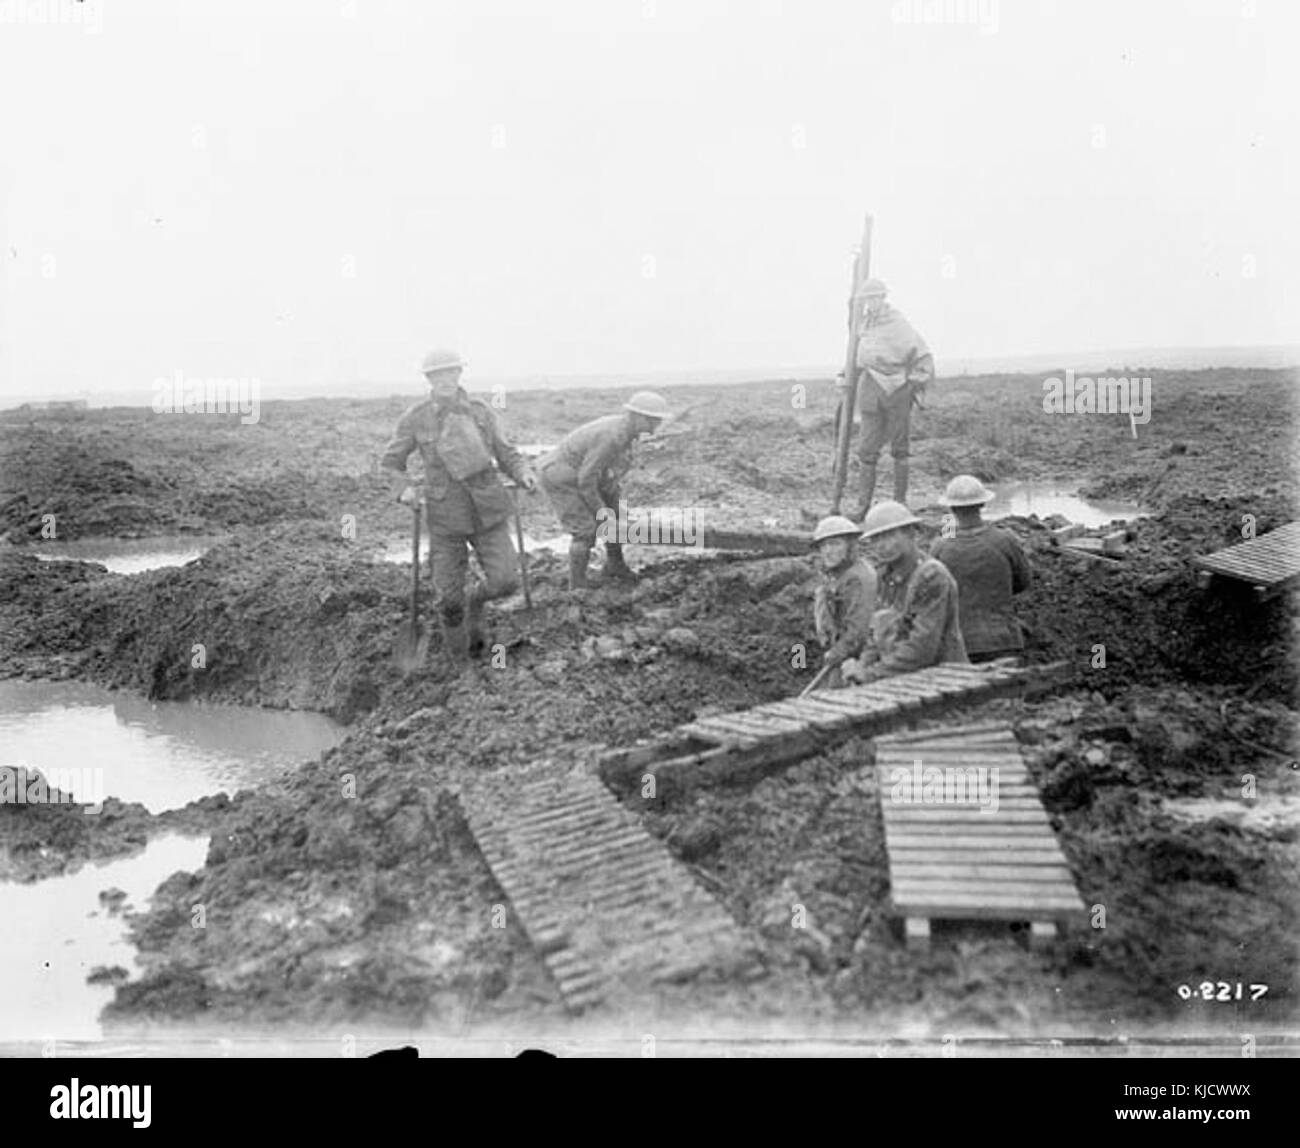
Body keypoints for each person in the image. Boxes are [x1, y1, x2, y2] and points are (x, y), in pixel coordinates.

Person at [379, 348, 536, 660]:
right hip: (445, 518)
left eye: (451, 372)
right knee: (449, 600)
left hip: (488, 511)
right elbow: (390, 463)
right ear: (429, 379)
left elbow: (507, 453)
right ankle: (460, 664)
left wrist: (523, 473)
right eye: (438, 374)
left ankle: (476, 602)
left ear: (459, 375)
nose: (445, 380)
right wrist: (405, 490)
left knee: (505, 581)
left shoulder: (480, 412)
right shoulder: (416, 418)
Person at [537, 391, 670, 590]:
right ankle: (577, 587)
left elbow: (610, 474)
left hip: (583, 474)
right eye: (651, 422)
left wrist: (614, 511)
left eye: (657, 422)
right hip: (561, 476)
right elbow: (586, 480)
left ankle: (615, 564)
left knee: (616, 517)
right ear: (635, 416)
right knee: (585, 531)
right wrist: (602, 513)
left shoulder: (627, 433)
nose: (654, 428)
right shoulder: (610, 436)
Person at [845, 499, 967, 682]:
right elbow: (875, 636)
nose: (882, 545)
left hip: (944, 681)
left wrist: (870, 674)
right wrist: (862, 665)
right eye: (876, 539)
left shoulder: (932, 576)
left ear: (911, 533)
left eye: (889, 535)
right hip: (900, 680)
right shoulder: (883, 577)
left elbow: (922, 648)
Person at [852, 279, 934, 516]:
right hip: (870, 390)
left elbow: (922, 355)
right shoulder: (863, 325)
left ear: (883, 298)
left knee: (900, 449)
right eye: (868, 299)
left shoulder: (898, 323)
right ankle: (862, 506)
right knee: (866, 450)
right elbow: (856, 356)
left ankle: (899, 504)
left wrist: (913, 384)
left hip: (898, 391)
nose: (872, 303)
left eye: (876, 297)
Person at [930, 474, 1032, 663]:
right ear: (983, 505)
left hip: (958, 647)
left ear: (951, 508)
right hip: (1003, 641)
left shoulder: (940, 547)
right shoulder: (1005, 540)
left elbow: (933, 596)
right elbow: (1022, 583)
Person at [810, 515, 878, 688]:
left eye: (835, 544)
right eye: (824, 545)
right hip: (841, 653)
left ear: (851, 546)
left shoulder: (858, 579)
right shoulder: (839, 575)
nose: (828, 551)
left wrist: (837, 652)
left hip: (859, 659)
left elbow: (858, 629)